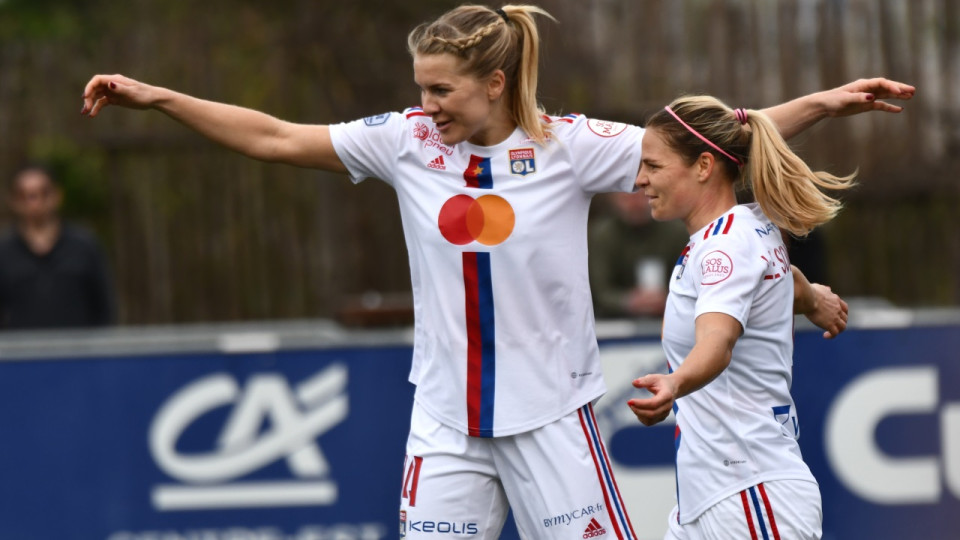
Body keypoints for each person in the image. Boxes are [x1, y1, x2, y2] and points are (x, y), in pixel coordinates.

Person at [81, 4, 913, 538]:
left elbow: (710, 146)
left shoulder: (568, 145)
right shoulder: (404, 140)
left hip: (555, 416)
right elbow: (273, 136)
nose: (427, 104)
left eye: (441, 89)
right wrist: (161, 98)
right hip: (445, 420)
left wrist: (824, 104)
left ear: (495, 82)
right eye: (421, 88)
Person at [627, 96, 860, 539]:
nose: (640, 180)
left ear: (703, 166)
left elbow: (718, 340)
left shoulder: (722, 247)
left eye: (653, 166)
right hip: (715, 496)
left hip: (747, 495)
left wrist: (675, 383)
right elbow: (776, 279)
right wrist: (812, 300)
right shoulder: (747, 225)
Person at [0, 163, 115, 329]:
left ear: (57, 195)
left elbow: (105, 308)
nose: (34, 202)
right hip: (21, 352)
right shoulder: (3, 253)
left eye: (43, 193)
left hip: (80, 351)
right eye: (25, 195)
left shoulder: (84, 246)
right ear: (13, 201)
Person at [589, 190, 688, 318]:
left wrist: (669, 298)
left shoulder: (677, 231)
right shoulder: (602, 234)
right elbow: (600, 291)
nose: (635, 204)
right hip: (616, 322)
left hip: (671, 315)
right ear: (614, 200)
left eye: (641, 197)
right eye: (626, 198)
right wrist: (628, 301)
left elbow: (689, 282)